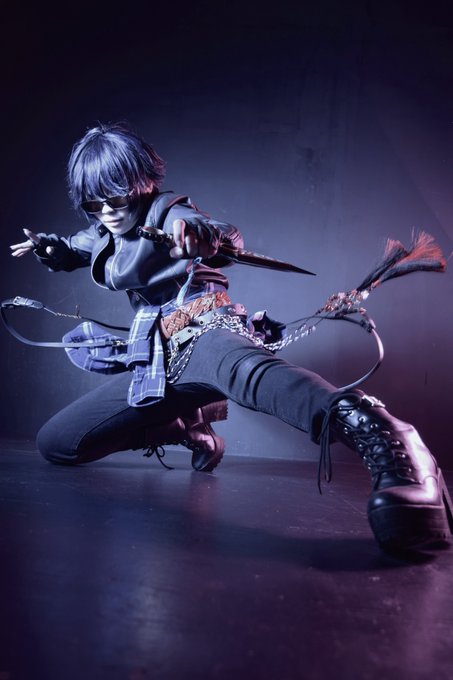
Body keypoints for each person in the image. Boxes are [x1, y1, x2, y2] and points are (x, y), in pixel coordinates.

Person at [10, 121, 452, 553]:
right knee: (59, 443)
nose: (107, 210)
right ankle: (185, 426)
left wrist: (202, 235)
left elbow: (219, 231)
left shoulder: (167, 212)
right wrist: (54, 249)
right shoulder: (104, 228)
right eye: (94, 203)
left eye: (117, 195)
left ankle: (393, 441)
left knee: (257, 377)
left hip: (206, 334)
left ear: (140, 182)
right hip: (159, 361)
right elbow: (79, 245)